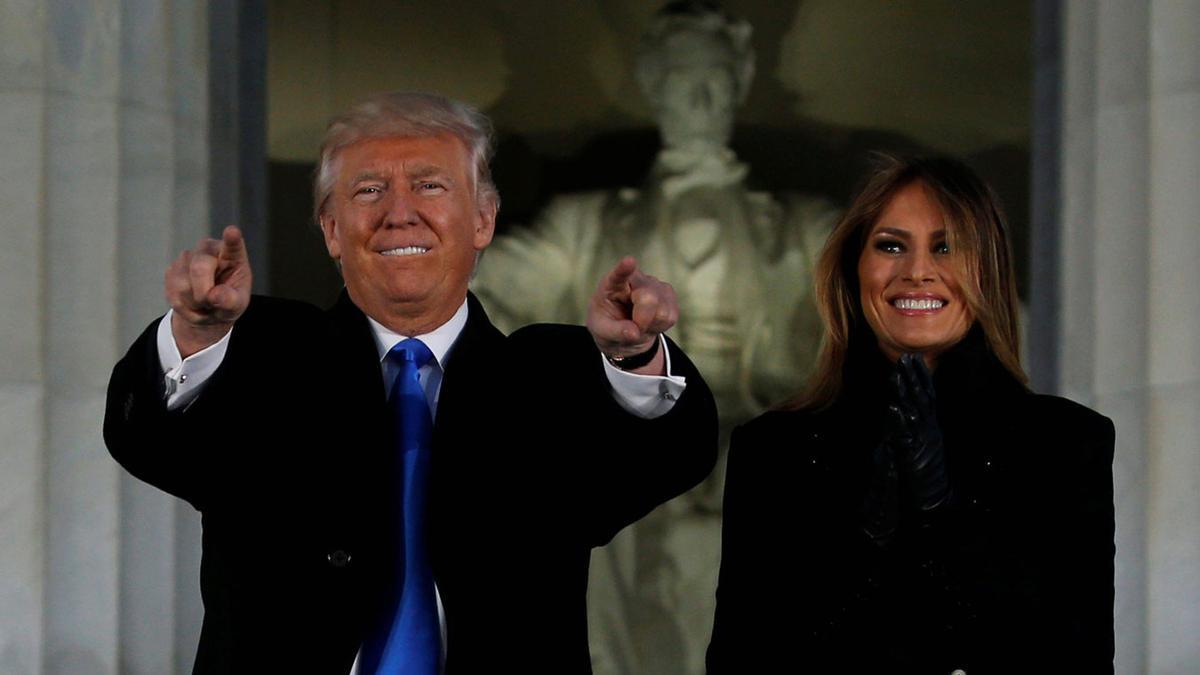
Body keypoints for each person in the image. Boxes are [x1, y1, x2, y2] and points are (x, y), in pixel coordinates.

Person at [104, 92, 717, 674]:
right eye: (369, 190)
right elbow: (151, 442)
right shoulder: (265, 356)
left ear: (483, 219)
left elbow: (666, 458)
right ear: (332, 230)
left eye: (429, 185)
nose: (399, 213)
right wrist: (196, 332)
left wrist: (636, 358)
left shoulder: (549, 379)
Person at [470, 3, 835, 671]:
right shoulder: (583, 225)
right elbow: (466, 297)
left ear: (742, 79)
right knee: (590, 510)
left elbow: (900, 296)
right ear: (652, 82)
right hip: (625, 450)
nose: (698, 96)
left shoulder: (808, 228)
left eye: (716, 78)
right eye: (679, 75)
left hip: (766, 444)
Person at [706, 154, 1115, 673]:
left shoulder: (1065, 443)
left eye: (947, 247)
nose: (918, 271)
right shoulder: (774, 450)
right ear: (855, 267)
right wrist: (865, 546)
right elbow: (742, 660)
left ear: (987, 270)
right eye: (891, 246)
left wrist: (941, 522)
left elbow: (1074, 659)